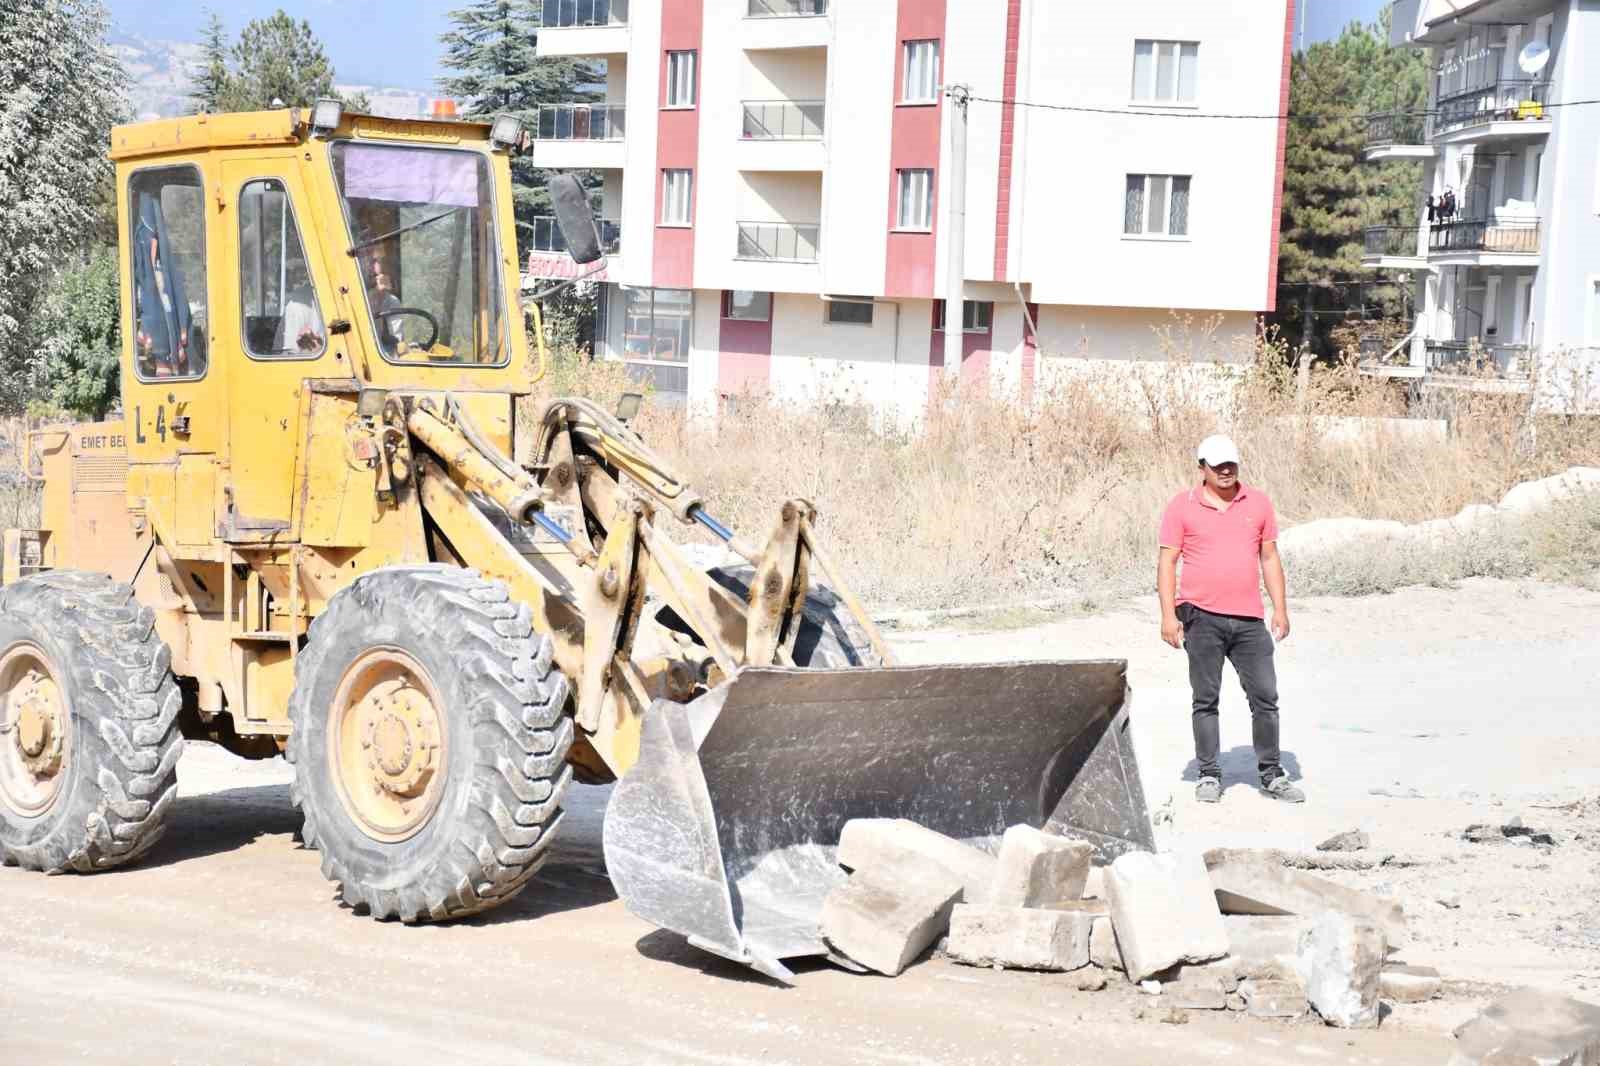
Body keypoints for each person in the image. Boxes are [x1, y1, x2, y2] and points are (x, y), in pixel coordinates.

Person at [1157, 434, 1305, 805]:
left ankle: (1271, 774)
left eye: (1231, 463)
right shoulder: (1181, 507)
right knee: (1205, 699)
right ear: (1202, 467)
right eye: (1217, 464)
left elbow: (1269, 558)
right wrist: (1166, 616)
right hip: (1201, 617)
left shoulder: (1258, 503)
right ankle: (1209, 774)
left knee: (1265, 697)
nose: (1226, 470)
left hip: (1249, 621)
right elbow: (1167, 562)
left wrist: (1281, 609)